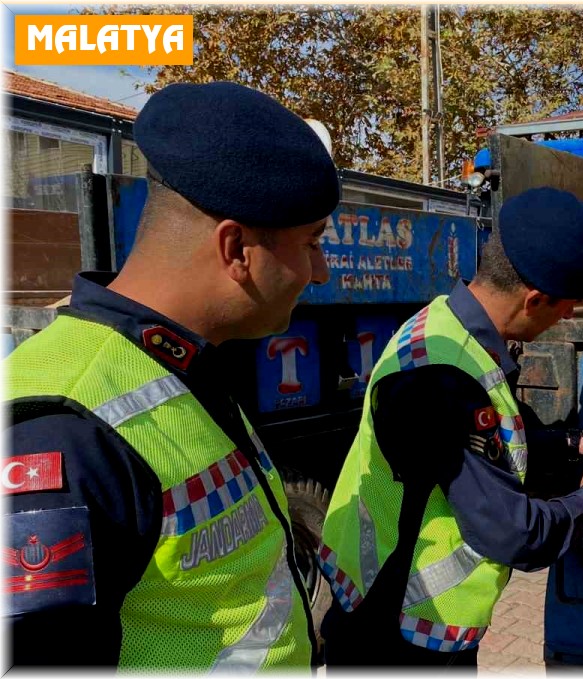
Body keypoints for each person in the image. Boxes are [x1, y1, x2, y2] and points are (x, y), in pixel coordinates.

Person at [4, 82, 340, 669]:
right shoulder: (63, 431)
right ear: (236, 249)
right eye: (312, 243)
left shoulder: (182, 363)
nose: (321, 271)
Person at [319, 186, 583, 668]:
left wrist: (576, 444)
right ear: (535, 299)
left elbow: (482, 446)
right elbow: (513, 533)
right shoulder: (444, 380)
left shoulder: (443, 325)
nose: (570, 316)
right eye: (567, 306)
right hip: (403, 626)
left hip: (391, 610)